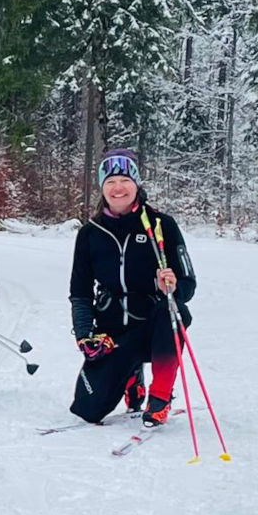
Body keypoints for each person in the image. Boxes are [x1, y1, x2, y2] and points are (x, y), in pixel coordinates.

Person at [68, 148, 195, 429]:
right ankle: (130, 377)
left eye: (125, 179)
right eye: (110, 181)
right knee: (88, 409)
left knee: (174, 312)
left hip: (152, 327)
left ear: (136, 183)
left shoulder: (162, 225)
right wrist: (85, 335)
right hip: (112, 333)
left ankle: (160, 398)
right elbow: (80, 292)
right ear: (102, 187)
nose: (118, 188)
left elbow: (188, 284)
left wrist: (172, 288)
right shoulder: (90, 232)